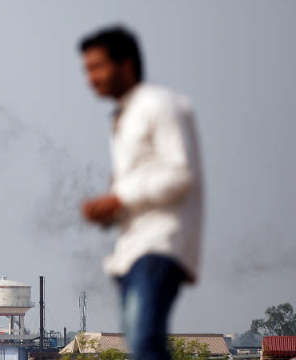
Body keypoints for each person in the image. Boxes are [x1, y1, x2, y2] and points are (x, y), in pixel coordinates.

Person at [78, 26, 203, 360]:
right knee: (141, 344)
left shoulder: (160, 105)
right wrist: (110, 211)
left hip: (160, 245)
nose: (91, 78)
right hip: (132, 249)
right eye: (86, 70)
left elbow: (181, 174)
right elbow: (138, 184)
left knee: (146, 343)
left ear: (126, 64)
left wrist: (119, 199)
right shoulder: (122, 118)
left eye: (97, 67)